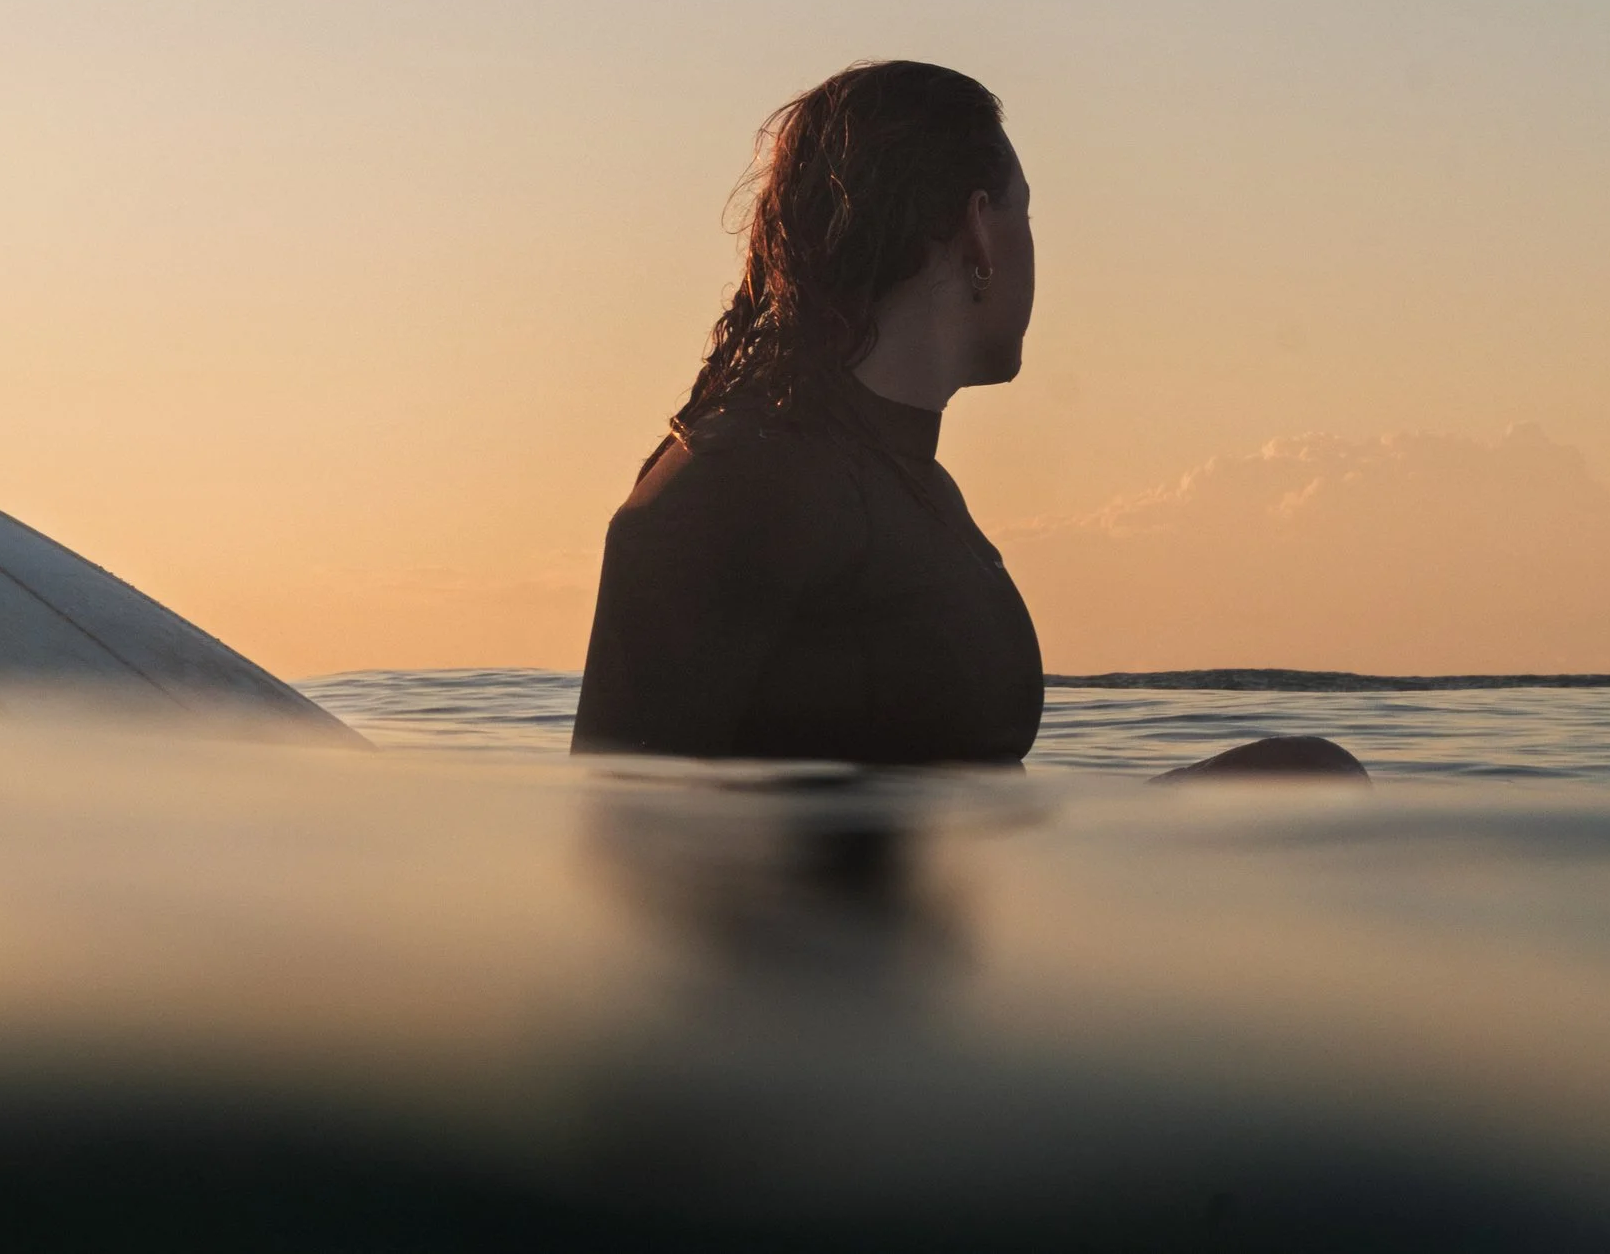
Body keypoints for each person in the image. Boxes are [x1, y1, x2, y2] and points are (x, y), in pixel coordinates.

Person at [571, 60, 1363, 781]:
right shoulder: (743, 478)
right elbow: (617, 834)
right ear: (979, 226)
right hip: (854, 938)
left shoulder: (906, 481)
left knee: (1306, 778)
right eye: (1028, 216)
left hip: (968, 909)